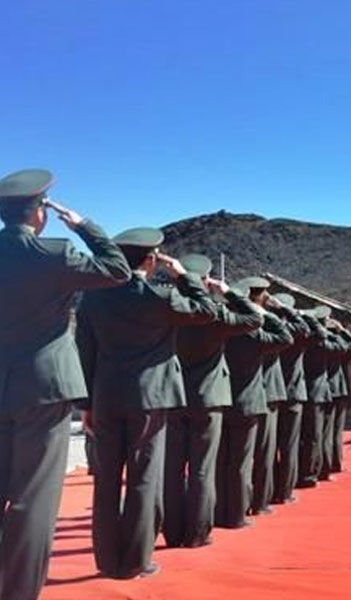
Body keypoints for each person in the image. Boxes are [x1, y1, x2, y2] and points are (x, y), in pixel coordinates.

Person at [0, 169, 130, 600]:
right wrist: (83, 226)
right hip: (44, 388)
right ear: (39, 212)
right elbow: (118, 270)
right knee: (33, 497)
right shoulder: (54, 254)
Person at [76, 227, 216, 579]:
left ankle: (108, 560)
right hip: (150, 398)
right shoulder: (160, 297)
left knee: (106, 479)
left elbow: (85, 350)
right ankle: (136, 559)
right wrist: (184, 277)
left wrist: (87, 404)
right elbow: (206, 311)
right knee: (143, 477)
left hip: (107, 396)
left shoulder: (93, 298)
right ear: (151, 260)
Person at [163, 254, 263, 549]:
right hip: (208, 398)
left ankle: (173, 531)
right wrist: (228, 292)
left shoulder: (165, 310)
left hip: (173, 397)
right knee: (203, 468)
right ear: (205, 281)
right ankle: (197, 532)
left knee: (171, 469)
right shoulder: (215, 315)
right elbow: (255, 318)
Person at [216, 277, 292, 528]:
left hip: (220, 401)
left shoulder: (217, 326)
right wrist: (263, 312)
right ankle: (236, 515)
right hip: (248, 402)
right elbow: (285, 337)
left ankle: (220, 511)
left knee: (220, 461)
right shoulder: (253, 334)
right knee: (241, 462)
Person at [250, 291, 294, 516]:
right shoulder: (273, 325)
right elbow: (292, 335)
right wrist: (280, 311)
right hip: (268, 393)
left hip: (244, 395)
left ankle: (241, 501)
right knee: (265, 451)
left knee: (241, 455)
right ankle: (260, 501)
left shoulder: (239, 322)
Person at [271, 293, 312, 504]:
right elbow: (313, 330)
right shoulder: (295, 331)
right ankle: (285, 491)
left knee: (269, 448)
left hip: (271, 393)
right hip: (293, 393)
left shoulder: (269, 327)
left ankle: (268, 489)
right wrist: (292, 312)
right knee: (289, 446)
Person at [321, 318, 351, 478]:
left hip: (331, 390)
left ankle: (331, 463)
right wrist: (342, 331)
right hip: (336, 390)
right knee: (332, 432)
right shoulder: (338, 344)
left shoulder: (322, 341)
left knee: (329, 432)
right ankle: (331, 464)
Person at [297, 306, 333, 488]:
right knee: (314, 436)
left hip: (306, 391)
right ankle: (311, 473)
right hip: (317, 392)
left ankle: (309, 471)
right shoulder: (321, 340)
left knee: (307, 436)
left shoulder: (302, 338)